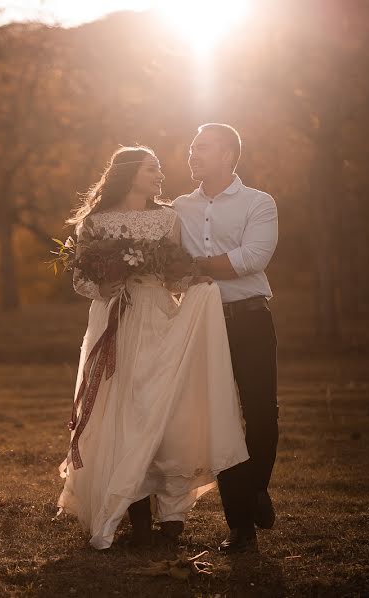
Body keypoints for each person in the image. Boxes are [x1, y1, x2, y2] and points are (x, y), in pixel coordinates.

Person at [57, 145, 249, 550]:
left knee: (164, 409)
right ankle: (136, 515)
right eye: (152, 168)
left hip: (158, 319)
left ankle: (172, 514)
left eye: (160, 168)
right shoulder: (94, 223)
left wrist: (198, 289)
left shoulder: (168, 219)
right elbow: (80, 280)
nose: (161, 175)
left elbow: (175, 278)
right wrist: (102, 287)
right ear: (129, 174)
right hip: (116, 322)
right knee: (124, 413)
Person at [172, 123, 279, 553]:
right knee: (222, 418)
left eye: (202, 146)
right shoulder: (178, 207)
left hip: (251, 318)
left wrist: (197, 264)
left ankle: (255, 488)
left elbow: (254, 258)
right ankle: (240, 525)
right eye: (192, 145)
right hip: (203, 321)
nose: (192, 152)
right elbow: (171, 265)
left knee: (262, 410)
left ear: (228, 155)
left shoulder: (259, 202)